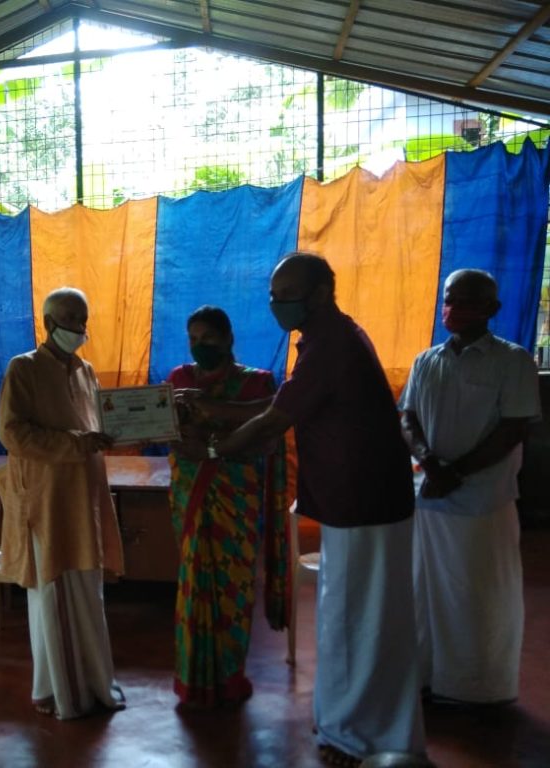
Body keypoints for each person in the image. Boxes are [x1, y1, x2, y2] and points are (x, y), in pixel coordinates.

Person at [204, 253, 426, 765]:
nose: (276, 305)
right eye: (273, 296)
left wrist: (214, 449)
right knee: (366, 618)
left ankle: (356, 737)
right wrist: (216, 411)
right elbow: (283, 404)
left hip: (361, 504)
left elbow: (271, 421)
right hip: (367, 502)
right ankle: (363, 725)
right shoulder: (334, 338)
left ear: (322, 291)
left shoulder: (330, 347)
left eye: (286, 295)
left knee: (354, 622)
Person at [400, 269, 539, 705]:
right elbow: (407, 418)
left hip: (483, 501)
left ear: (492, 309)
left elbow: (513, 428)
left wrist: (454, 472)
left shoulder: (513, 361)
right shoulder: (427, 360)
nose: (453, 309)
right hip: (431, 498)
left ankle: (477, 688)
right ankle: (429, 678)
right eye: (448, 299)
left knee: (478, 596)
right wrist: (428, 461)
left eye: (465, 300)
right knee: (426, 594)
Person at [0, 286, 127, 720]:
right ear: (48, 323)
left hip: (84, 497)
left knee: (88, 591)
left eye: (83, 319)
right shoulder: (24, 368)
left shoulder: (86, 371)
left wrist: (130, 427)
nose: (79, 327)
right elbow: (13, 434)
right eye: (70, 319)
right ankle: (57, 691)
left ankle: (93, 683)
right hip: (47, 502)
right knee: (53, 594)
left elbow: (99, 427)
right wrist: (77, 443)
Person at [165, 305, 288, 707]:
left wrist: (211, 432)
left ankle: (229, 676)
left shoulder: (257, 384)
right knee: (194, 584)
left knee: (232, 588)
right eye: (194, 340)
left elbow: (267, 439)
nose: (201, 346)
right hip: (191, 494)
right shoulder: (179, 380)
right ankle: (191, 679)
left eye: (209, 338)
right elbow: (168, 434)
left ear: (230, 338)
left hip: (235, 498)